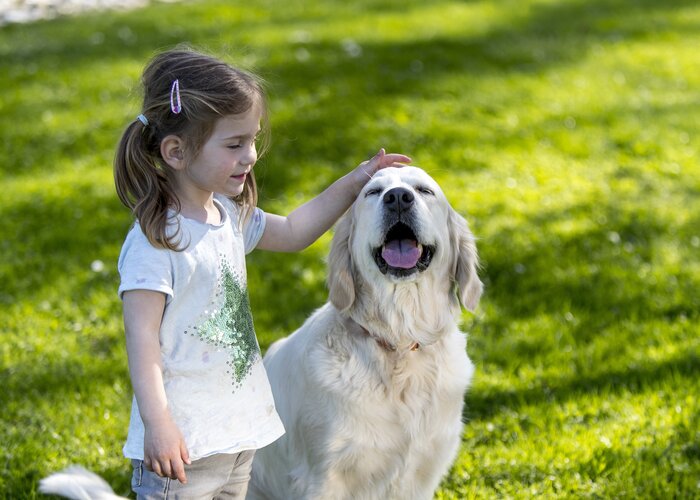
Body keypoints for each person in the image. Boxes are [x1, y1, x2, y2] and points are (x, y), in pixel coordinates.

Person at [114, 47, 410, 499]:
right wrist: (158, 426)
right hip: (184, 445)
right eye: (234, 144)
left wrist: (355, 182)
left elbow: (293, 231)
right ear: (176, 151)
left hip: (239, 433)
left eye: (251, 140)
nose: (250, 155)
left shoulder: (228, 216)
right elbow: (142, 342)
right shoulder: (156, 242)